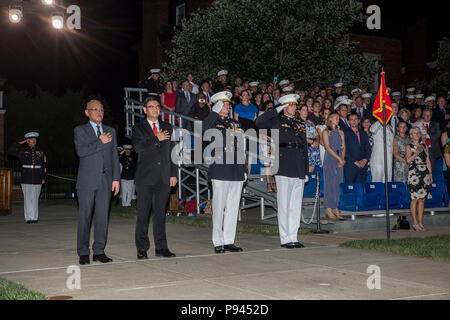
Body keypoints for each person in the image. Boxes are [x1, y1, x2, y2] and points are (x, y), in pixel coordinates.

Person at [256, 94, 308, 249]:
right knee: (284, 204)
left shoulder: (300, 125)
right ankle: (285, 238)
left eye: (295, 105)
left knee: (295, 205)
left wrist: (305, 171)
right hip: (283, 165)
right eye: (291, 105)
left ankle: (294, 236)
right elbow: (259, 122)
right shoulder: (277, 122)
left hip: (298, 166)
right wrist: (276, 110)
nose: (295, 108)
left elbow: (304, 147)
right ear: (285, 107)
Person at [74, 100, 120, 265]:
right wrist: (100, 141)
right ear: (87, 112)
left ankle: (99, 251)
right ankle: (83, 252)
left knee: (102, 217)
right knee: (85, 217)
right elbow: (81, 151)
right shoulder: (80, 130)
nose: (99, 112)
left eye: (101, 110)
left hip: (105, 181)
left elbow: (114, 156)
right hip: (87, 181)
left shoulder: (110, 131)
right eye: (95, 109)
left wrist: (116, 179)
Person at [132, 96, 178, 259]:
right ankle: (142, 248)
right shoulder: (138, 128)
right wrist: (155, 138)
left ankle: (161, 247)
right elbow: (137, 148)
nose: (155, 109)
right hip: (145, 178)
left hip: (164, 177)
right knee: (143, 215)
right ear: (145, 110)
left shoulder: (168, 127)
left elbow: (172, 152)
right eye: (151, 107)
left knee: (160, 215)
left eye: (157, 106)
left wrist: (173, 174)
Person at [202, 91, 246, 254]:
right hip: (220, 167)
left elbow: (241, 146)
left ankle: (229, 240)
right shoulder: (213, 121)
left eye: (228, 104)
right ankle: (218, 241)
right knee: (219, 207)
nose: (227, 106)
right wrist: (214, 112)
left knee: (233, 207)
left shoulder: (234, 124)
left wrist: (244, 168)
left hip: (235, 167)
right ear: (217, 105)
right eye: (224, 104)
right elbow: (204, 131)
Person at [7, 132, 46, 224]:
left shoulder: (40, 152)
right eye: (31, 139)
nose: (34, 141)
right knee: (28, 198)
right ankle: (28, 217)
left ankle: (34, 217)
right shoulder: (22, 151)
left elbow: (43, 166)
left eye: (35, 139)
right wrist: (21, 142)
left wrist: (43, 177)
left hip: (37, 176)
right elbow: (10, 151)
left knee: (35, 197)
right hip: (26, 176)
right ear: (28, 141)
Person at [406, 127, 432, 232]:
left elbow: (428, 160)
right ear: (411, 135)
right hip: (414, 174)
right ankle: (415, 223)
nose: (417, 134)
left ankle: (420, 222)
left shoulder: (425, 145)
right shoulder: (409, 146)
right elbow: (408, 160)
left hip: (424, 173)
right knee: (414, 199)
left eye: (418, 133)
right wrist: (416, 152)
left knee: (422, 199)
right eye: (414, 133)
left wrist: (430, 174)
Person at [322, 113, 346, 220]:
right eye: (335, 118)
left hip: (339, 158)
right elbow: (327, 147)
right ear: (330, 119)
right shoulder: (326, 132)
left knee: (337, 184)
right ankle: (328, 208)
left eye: (338, 118)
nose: (338, 120)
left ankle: (335, 207)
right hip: (330, 158)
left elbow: (343, 147)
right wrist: (339, 158)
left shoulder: (341, 132)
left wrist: (342, 159)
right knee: (329, 184)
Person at [343, 114, 371, 183]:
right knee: (350, 189)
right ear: (348, 121)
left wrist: (365, 160)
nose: (354, 121)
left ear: (359, 121)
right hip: (351, 165)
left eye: (355, 119)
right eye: (351, 119)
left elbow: (368, 148)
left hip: (362, 166)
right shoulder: (344, 133)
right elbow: (344, 150)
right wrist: (355, 162)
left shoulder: (363, 133)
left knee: (360, 189)